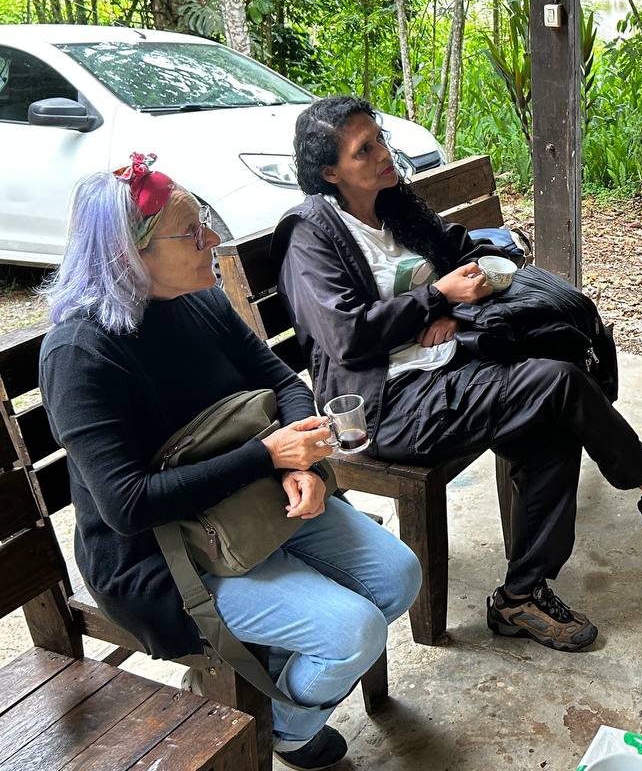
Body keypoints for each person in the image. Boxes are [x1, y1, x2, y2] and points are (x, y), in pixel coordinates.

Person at [272, 95, 642, 652]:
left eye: (379, 139)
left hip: (448, 366)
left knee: (552, 421)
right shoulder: (310, 235)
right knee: (558, 383)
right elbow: (345, 338)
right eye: (364, 150)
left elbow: (461, 255)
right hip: (387, 407)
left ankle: (522, 597)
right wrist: (436, 298)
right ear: (329, 173)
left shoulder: (393, 205)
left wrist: (451, 307)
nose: (383, 154)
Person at [39, 154, 421, 771]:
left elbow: (283, 382)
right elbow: (127, 505)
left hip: (252, 501)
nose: (212, 239)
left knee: (398, 577)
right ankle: (285, 733)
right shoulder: (81, 354)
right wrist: (266, 455)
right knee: (352, 631)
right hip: (159, 555)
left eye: (205, 223)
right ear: (129, 256)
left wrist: (296, 465)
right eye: (191, 234)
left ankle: (275, 712)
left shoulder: (197, 299)